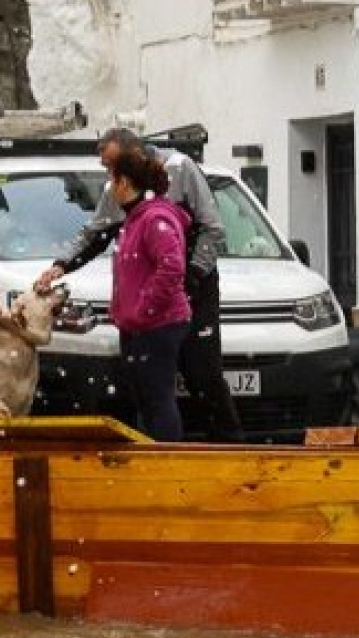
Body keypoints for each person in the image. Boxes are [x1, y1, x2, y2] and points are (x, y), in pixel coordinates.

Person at [48, 131, 240, 439]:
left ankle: (230, 449)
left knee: (202, 377)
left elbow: (211, 229)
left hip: (192, 285)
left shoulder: (179, 170)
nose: (108, 176)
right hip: (151, 303)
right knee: (147, 387)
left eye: (111, 165)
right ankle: (153, 448)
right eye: (105, 166)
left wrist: (189, 277)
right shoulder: (122, 194)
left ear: (133, 157)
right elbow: (96, 233)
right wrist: (62, 264)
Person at [99, 148, 196, 441]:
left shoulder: (154, 219)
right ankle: (150, 455)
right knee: (144, 399)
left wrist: (143, 309)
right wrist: (122, 310)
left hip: (157, 325)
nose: (110, 187)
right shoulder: (136, 218)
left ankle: (165, 459)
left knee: (158, 398)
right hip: (138, 326)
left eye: (111, 180)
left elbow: (171, 267)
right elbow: (133, 273)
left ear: (124, 183)